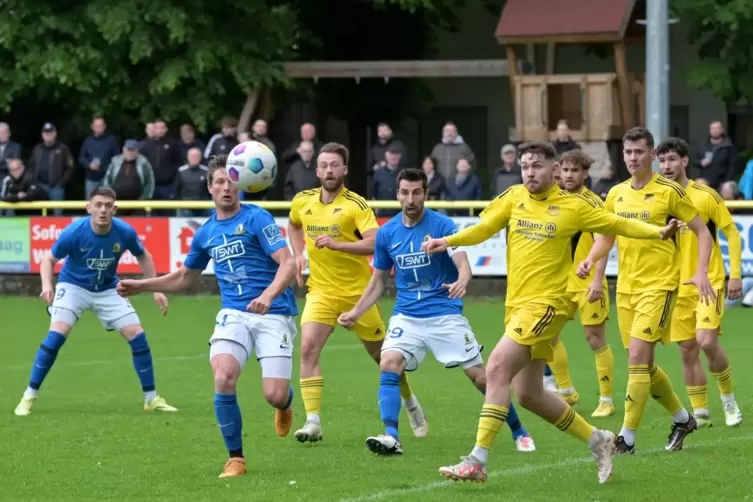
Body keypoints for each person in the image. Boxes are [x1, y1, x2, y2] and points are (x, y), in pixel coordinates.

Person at [422, 141, 681, 484]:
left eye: (537, 166)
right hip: (517, 304)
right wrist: (450, 241)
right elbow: (484, 228)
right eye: (525, 166)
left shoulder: (573, 206)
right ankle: (599, 440)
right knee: (528, 394)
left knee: (496, 367)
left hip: (548, 305)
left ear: (554, 170)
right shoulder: (514, 197)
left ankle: (477, 460)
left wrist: (658, 231)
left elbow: (615, 225)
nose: (530, 171)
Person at [116, 155, 298, 478]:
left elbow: (287, 263)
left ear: (240, 184)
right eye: (219, 183)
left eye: (231, 182)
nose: (226, 188)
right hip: (233, 314)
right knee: (223, 375)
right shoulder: (206, 233)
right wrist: (142, 286)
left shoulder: (258, 219)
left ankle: (285, 404)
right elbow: (184, 277)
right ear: (210, 187)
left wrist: (268, 296)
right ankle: (236, 459)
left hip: (274, 312)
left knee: (274, 393)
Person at [338, 168, 536, 455]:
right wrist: (356, 312)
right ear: (397, 194)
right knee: (389, 361)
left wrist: (463, 280)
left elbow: (462, 261)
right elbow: (379, 279)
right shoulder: (387, 233)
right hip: (407, 315)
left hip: (444, 314)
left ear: (426, 195)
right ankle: (391, 436)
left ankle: (520, 431)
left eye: (417, 192)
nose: (410, 199)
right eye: (405, 192)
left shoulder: (442, 225)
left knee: (481, 377)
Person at [578, 127, 716, 454]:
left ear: (652, 155)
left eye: (639, 152)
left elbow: (703, 233)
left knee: (637, 361)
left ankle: (626, 439)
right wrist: (591, 261)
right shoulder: (616, 194)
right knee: (645, 367)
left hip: (660, 285)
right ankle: (683, 419)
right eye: (627, 152)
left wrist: (700, 273)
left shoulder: (669, 191)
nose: (632, 158)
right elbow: (607, 236)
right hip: (627, 287)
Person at [287, 142, 427, 444]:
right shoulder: (303, 201)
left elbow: (376, 242)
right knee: (308, 348)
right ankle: (313, 421)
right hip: (321, 292)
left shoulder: (356, 205)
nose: (328, 170)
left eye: (334, 165)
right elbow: (294, 224)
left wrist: (339, 245)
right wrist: (298, 254)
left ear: (345, 170)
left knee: (384, 358)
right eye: (323, 165)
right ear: (317, 169)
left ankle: (409, 399)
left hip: (359, 295)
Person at [14, 186, 175, 417]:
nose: (103, 210)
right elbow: (48, 260)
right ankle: (29, 395)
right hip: (73, 286)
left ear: (115, 209)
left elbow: (144, 256)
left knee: (138, 336)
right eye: (98, 205)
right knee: (56, 336)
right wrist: (47, 286)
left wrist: (155, 289)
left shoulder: (124, 232)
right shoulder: (75, 231)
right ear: (89, 208)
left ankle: (151, 399)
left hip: (108, 288)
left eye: (108, 206)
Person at [657, 137, 743, 428]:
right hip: (676, 285)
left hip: (710, 280)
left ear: (684, 161)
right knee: (687, 349)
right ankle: (701, 412)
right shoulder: (659, 199)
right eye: (662, 160)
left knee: (707, 342)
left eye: (671, 160)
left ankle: (728, 400)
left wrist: (735, 274)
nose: (666, 166)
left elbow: (731, 233)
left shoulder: (706, 195)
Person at [548, 150, 615, 418]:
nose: (569, 175)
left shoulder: (593, 204)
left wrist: (598, 279)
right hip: (559, 283)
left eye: (575, 171)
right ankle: (566, 391)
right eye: (565, 170)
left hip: (587, 282)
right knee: (547, 336)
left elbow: (605, 241)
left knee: (594, 338)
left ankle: (607, 399)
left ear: (585, 174)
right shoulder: (554, 200)